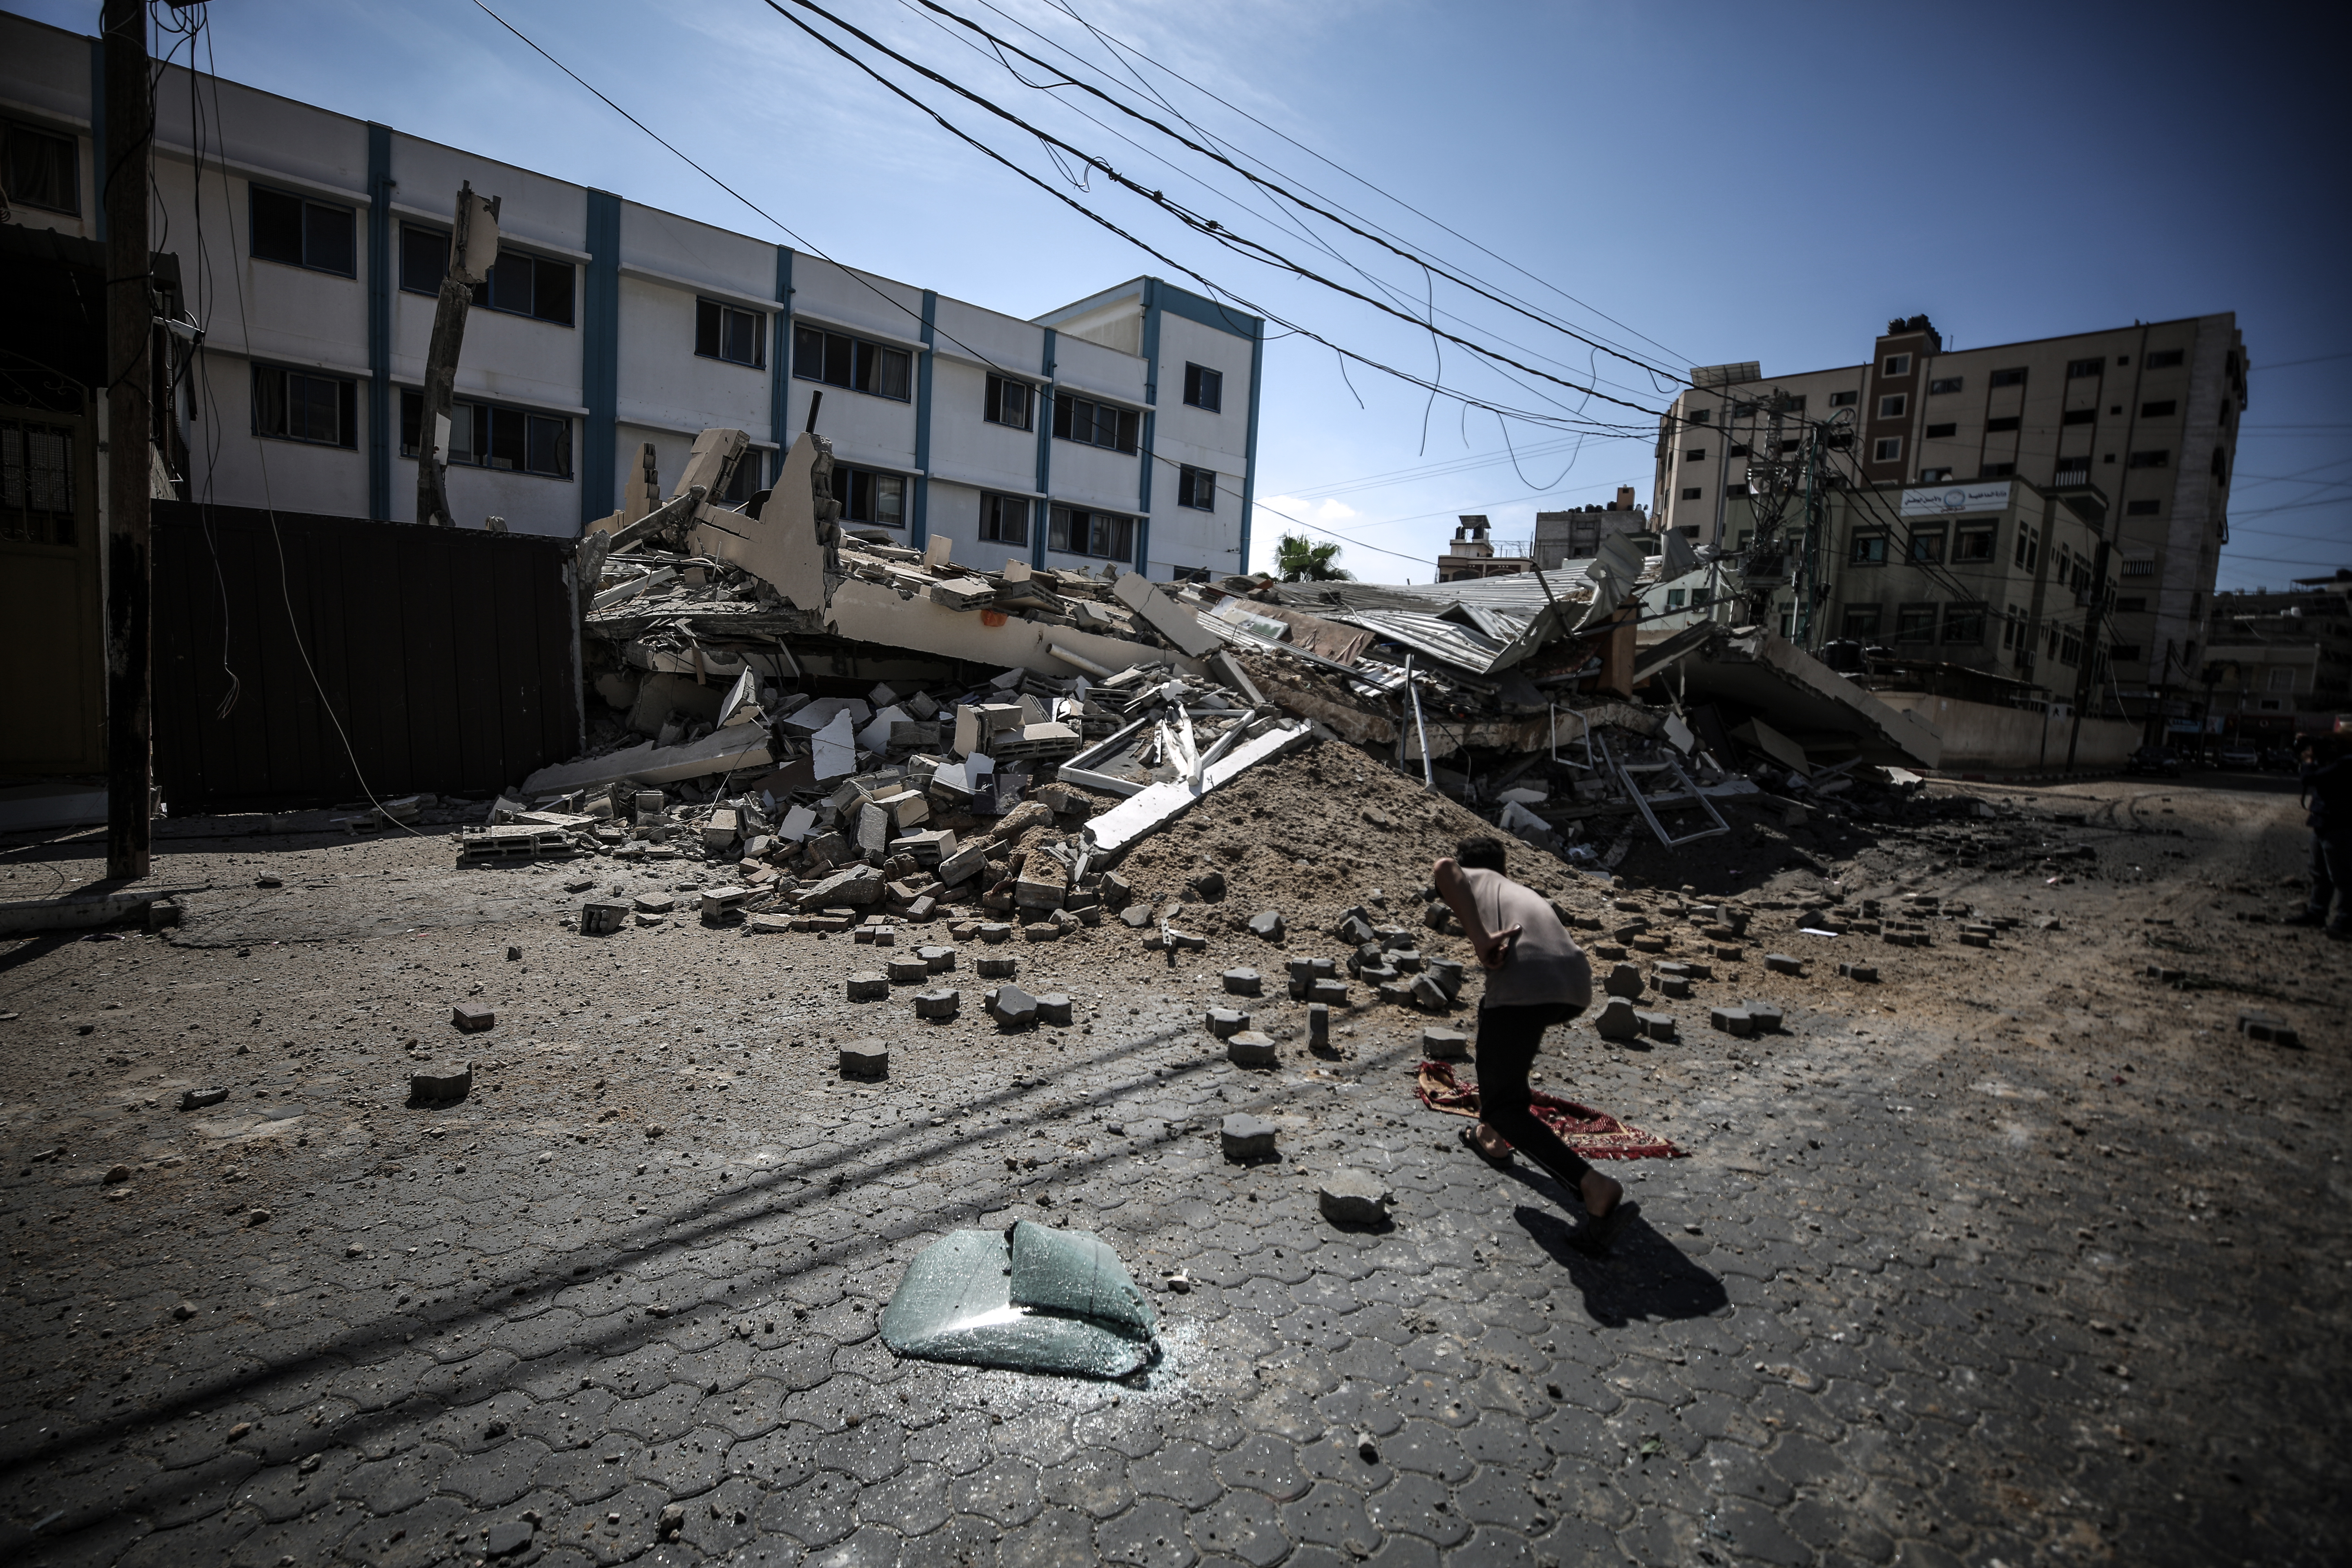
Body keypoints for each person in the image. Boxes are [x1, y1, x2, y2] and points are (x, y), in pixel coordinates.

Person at [1432, 836, 1631, 1246]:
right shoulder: (1516, 890)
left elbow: (1444, 869)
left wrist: (1480, 940)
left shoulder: (1468, 876)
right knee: (1496, 1033)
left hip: (1528, 980)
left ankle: (1593, 1186)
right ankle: (1492, 1135)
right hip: (1574, 983)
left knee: (1504, 1105)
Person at [2289, 734, 2352, 937]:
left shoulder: (2346, 762)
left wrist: (2309, 761)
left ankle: (2345, 920)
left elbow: (2310, 778)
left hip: (2341, 824)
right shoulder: (2337, 761)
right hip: (2324, 821)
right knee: (2320, 872)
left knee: (2342, 876)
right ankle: (2317, 913)